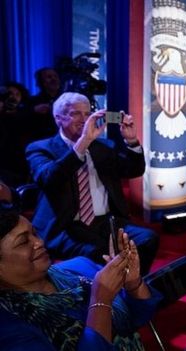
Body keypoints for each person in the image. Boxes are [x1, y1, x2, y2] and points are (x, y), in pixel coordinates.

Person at [25, 92, 159, 275]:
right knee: (98, 251)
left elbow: (133, 171)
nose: (84, 119)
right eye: (76, 114)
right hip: (67, 225)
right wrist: (83, 143)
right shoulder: (40, 148)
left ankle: (131, 287)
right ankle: (101, 296)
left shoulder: (104, 146)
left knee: (147, 238)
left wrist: (132, 141)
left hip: (105, 220)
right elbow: (49, 179)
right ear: (58, 118)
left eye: (88, 114)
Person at [0, 206, 161, 350]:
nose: (39, 242)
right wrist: (101, 300)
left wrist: (133, 284)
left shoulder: (79, 267)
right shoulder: (8, 328)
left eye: (35, 233)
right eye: (23, 242)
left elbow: (140, 315)